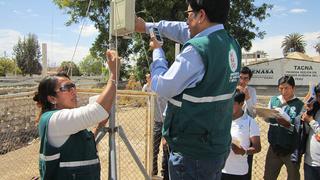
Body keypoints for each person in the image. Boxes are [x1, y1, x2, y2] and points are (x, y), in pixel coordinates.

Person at [136, 0, 241, 179]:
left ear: (201, 15)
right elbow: (184, 30)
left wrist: (157, 52)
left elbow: (161, 86)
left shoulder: (196, 50)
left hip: (193, 153)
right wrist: (148, 26)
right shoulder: (231, 44)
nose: (186, 21)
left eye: (188, 14)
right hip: (215, 146)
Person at [34, 50, 119, 180]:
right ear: (52, 99)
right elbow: (96, 111)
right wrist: (114, 74)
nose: (74, 91)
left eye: (73, 86)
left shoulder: (62, 120)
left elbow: (77, 145)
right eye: (67, 88)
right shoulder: (55, 119)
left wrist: (99, 126)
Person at [264, 76, 304, 180]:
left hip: (291, 149)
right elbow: (267, 120)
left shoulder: (299, 105)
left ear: (293, 88)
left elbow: (299, 128)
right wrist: (265, 114)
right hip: (274, 147)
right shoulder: (274, 100)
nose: (284, 91)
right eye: (281, 88)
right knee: (268, 176)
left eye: (287, 88)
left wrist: (287, 124)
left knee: (293, 176)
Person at [222, 89, 261, 180]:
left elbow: (257, 147)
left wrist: (243, 151)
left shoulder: (250, 122)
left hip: (238, 172)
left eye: (233, 103)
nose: (229, 106)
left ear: (241, 104)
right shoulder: (221, 120)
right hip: (219, 170)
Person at [142, 73, 169, 180]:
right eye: (148, 78)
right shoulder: (147, 87)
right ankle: (153, 171)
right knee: (154, 148)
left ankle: (164, 172)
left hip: (166, 122)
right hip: (157, 122)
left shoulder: (165, 88)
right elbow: (143, 94)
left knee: (166, 148)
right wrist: (149, 83)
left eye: (151, 77)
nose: (150, 79)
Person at [236, 66, 257, 180]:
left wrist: (248, 97)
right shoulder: (231, 89)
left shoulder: (252, 91)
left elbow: (253, 113)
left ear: (249, 79)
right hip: (232, 129)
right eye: (240, 78)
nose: (242, 81)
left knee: (246, 161)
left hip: (246, 132)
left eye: (246, 78)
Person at [301, 83, 320, 180]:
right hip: (311, 162)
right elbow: (307, 132)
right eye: (319, 96)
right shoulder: (315, 110)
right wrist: (308, 113)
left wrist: (311, 121)